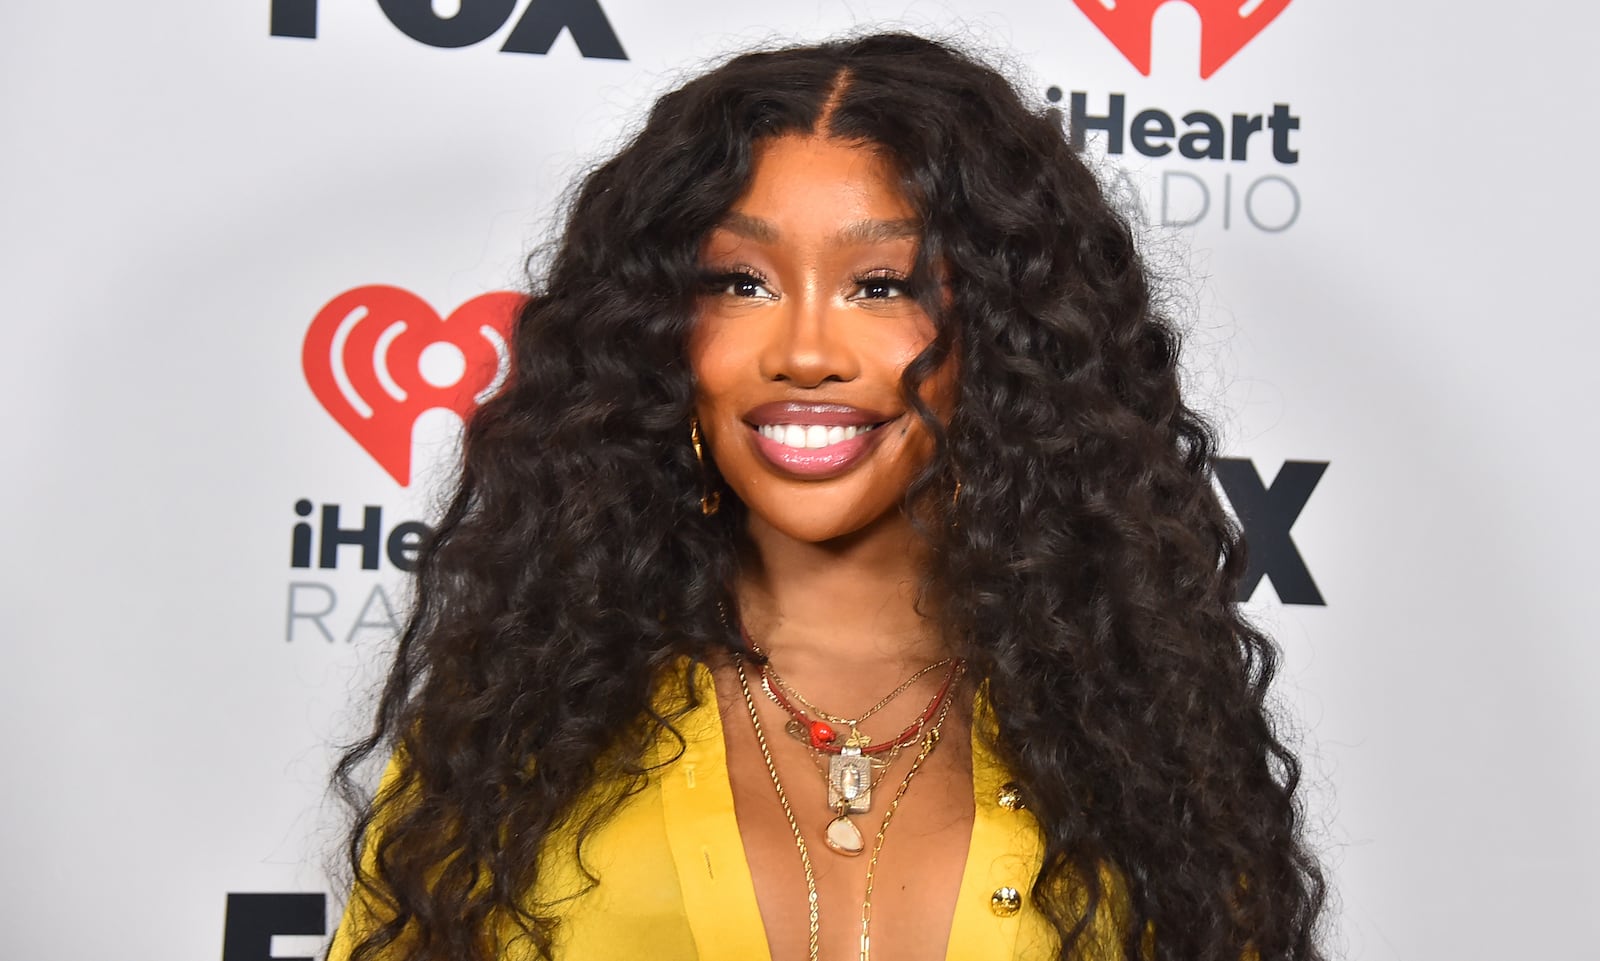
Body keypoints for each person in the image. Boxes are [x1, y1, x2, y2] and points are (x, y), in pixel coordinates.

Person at [327, 31, 1327, 961]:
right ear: (660, 334)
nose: (805, 352)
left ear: (1006, 341)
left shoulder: (1136, 739)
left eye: (882, 284)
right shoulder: (520, 730)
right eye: (741, 283)